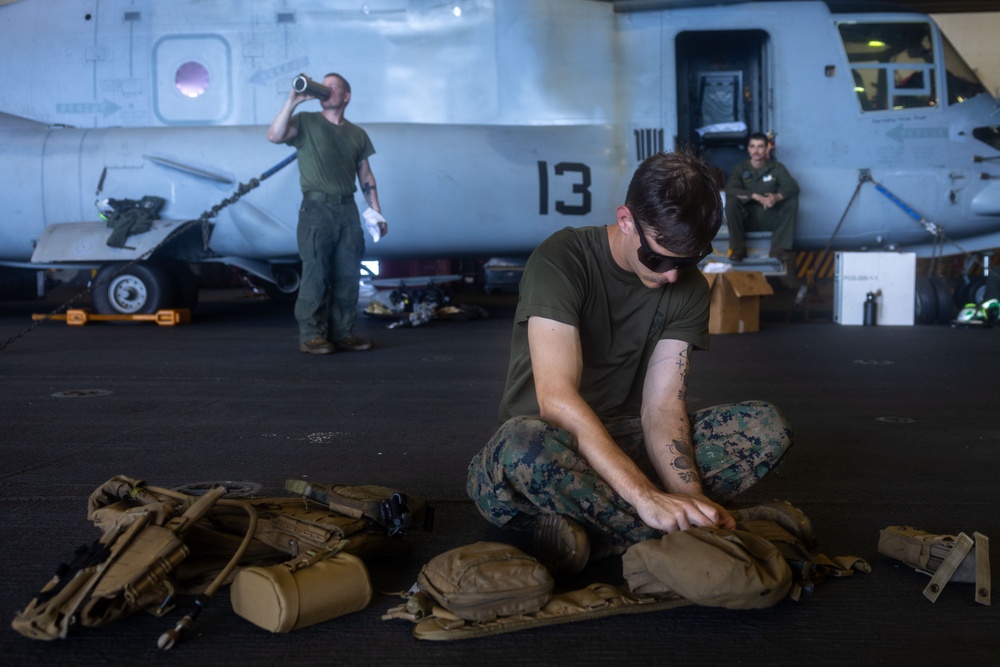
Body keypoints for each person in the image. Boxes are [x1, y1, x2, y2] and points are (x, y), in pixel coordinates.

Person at [466, 150, 793, 576]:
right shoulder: (561, 259)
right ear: (625, 220)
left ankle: (603, 526)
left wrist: (687, 497)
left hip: (623, 439)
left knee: (766, 427)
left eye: (688, 261)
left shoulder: (687, 286)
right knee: (521, 446)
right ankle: (666, 533)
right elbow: (555, 399)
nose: (672, 275)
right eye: (659, 258)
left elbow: (661, 408)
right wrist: (645, 496)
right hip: (548, 445)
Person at [267, 73, 387, 355]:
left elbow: (366, 174)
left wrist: (376, 212)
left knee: (348, 275)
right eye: (324, 84)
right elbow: (274, 136)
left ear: (346, 96)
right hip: (316, 210)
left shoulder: (357, 133)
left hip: (347, 209)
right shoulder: (306, 122)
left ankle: (343, 333)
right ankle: (312, 336)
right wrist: (292, 102)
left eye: (334, 86)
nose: (327, 88)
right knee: (316, 274)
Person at [725, 132, 799, 263]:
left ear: (767, 148)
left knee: (791, 202)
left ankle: (778, 249)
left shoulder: (776, 168)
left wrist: (776, 197)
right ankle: (738, 249)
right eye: (752, 146)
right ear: (748, 149)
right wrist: (753, 196)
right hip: (747, 219)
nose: (756, 150)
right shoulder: (740, 169)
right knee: (731, 202)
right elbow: (730, 190)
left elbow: (793, 187)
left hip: (769, 217)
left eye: (760, 146)